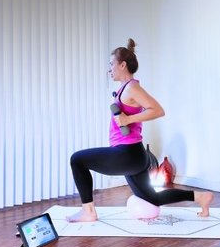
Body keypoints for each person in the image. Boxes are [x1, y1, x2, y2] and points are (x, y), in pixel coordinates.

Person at [66, 39, 212, 222]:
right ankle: (200, 197)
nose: (109, 69)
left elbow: (158, 110)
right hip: (134, 155)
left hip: (127, 154)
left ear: (122, 65)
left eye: (111, 64)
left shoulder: (132, 88)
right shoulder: (124, 89)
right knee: (152, 198)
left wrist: (128, 119)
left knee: (77, 160)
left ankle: (88, 211)